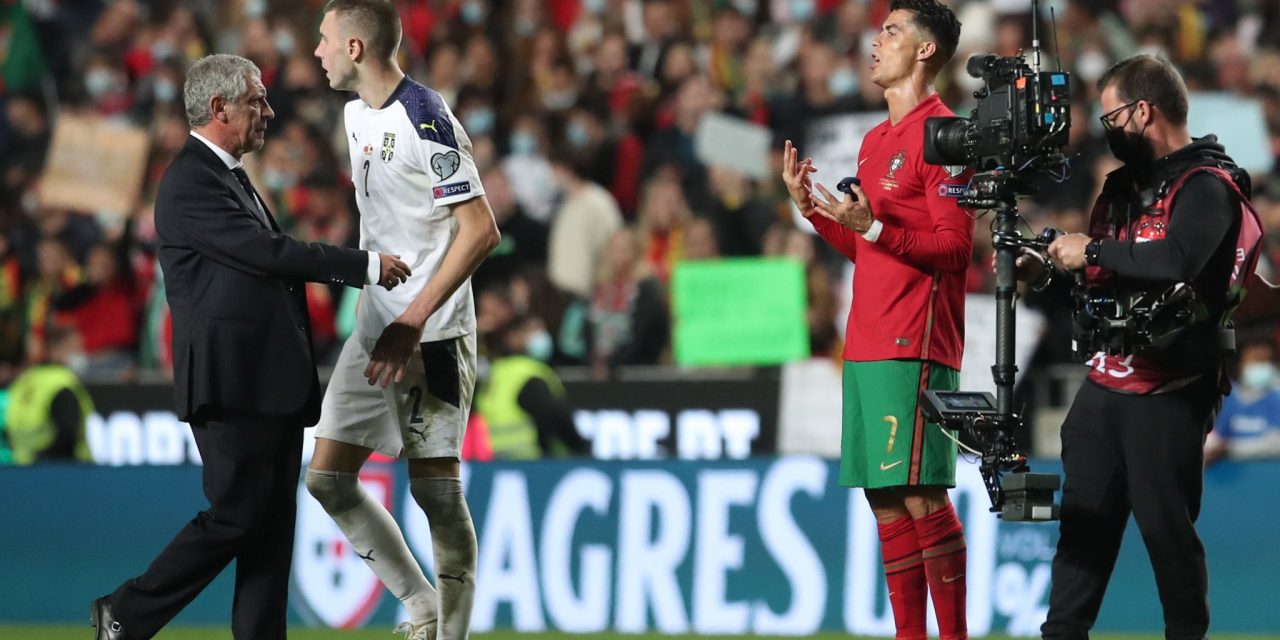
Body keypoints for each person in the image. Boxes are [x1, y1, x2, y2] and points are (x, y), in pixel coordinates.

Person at [91, 53, 410, 640]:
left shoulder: (227, 176)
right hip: (229, 382)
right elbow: (270, 254)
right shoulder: (189, 180)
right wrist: (362, 265)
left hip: (268, 384)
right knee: (236, 516)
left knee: (269, 533)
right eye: (256, 100)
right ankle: (127, 612)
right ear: (219, 108)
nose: (268, 110)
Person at [1017, 54, 1264, 639]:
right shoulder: (1121, 187)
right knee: (1080, 538)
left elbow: (1179, 258)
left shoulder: (1208, 185)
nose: (1107, 129)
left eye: (1111, 116)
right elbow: (1095, 290)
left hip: (1170, 392)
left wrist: (1092, 251)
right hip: (1103, 388)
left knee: (1166, 536)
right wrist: (1046, 274)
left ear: (1143, 111)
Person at [307, 2, 501, 639]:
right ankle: (420, 604)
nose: (318, 52)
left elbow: (480, 231)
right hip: (377, 328)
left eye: (326, 40)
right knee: (327, 478)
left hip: (434, 333)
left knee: (437, 494)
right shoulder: (352, 114)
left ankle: (452, 635)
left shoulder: (427, 117)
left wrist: (413, 320)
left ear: (356, 48)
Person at [780, 2, 972, 638]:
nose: (876, 40)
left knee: (921, 495)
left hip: (913, 338)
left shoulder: (945, 135)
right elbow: (867, 246)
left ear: (923, 51)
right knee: (885, 499)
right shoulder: (872, 140)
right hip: (863, 338)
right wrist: (814, 210)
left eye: (891, 30)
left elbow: (954, 250)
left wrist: (876, 225)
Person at [2, 324, 93, 465]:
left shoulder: (21, 382)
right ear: (55, 351)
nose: (81, 353)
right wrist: (43, 458)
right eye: (74, 348)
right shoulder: (62, 383)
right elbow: (68, 434)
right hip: (63, 471)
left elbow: (7, 429)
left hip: (19, 469)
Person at [1206, 337, 1280, 463]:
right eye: (1256, 360)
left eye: (1266, 360)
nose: (1261, 366)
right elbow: (1218, 435)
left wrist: (1230, 448)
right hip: (1231, 475)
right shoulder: (1229, 396)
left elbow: (1275, 443)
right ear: (1241, 364)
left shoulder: (1276, 398)